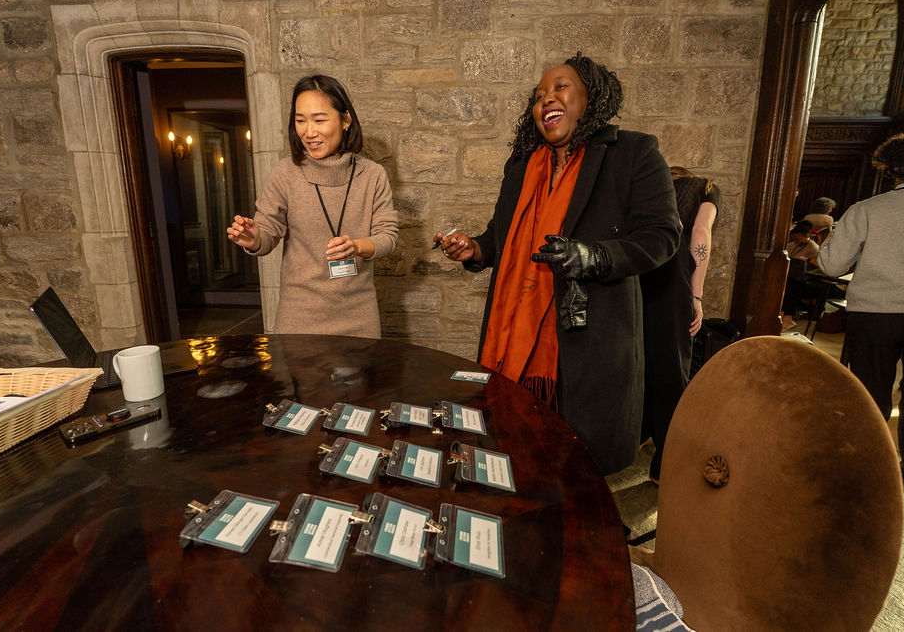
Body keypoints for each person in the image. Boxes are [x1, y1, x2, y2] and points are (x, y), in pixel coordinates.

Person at [435, 53, 680, 474]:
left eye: (560, 87)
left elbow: (662, 236)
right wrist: (474, 249)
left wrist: (594, 256)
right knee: (515, 453)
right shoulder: (522, 166)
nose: (546, 98)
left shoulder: (632, 153)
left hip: (589, 339)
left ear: (590, 97)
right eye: (538, 95)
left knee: (577, 468)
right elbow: (502, 236)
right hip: (514, 328)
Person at [817, 131, 904, 523]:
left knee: (865, 396)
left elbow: (831, 264)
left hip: (874, 314)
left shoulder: (866, 209)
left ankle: (860, 479)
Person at [227, 74, 398, 339]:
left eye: (319, 120)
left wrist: (357, 246)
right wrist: (254, 238)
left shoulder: (372, 175)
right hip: (299, 318)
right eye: (300, 121)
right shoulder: (285, 173)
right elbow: (268, 230)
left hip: (358, 316)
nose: (309, 132)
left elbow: (387, 237)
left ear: (346, 120)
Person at [640, 166, 721, 482]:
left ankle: (639, 435)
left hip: (636, 272)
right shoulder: (705, 187)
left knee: (641, 362)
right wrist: (696, 295)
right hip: (672, 279)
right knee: (672, 368)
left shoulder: (649, 187)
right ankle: (666, 461)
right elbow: (701, 232)